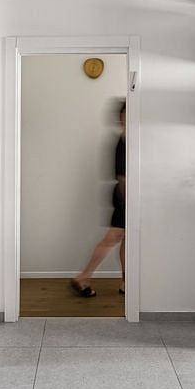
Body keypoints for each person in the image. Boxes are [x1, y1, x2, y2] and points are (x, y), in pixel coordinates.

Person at [71, 100, 126, 298]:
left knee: (125, 240)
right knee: (113, 238)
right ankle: (83, 276)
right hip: (123, 196)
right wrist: (129, 202)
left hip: (125, 195)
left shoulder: (127, 140)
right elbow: (122, 177)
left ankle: (125, 283)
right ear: (121, 118)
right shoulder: (123, 142)